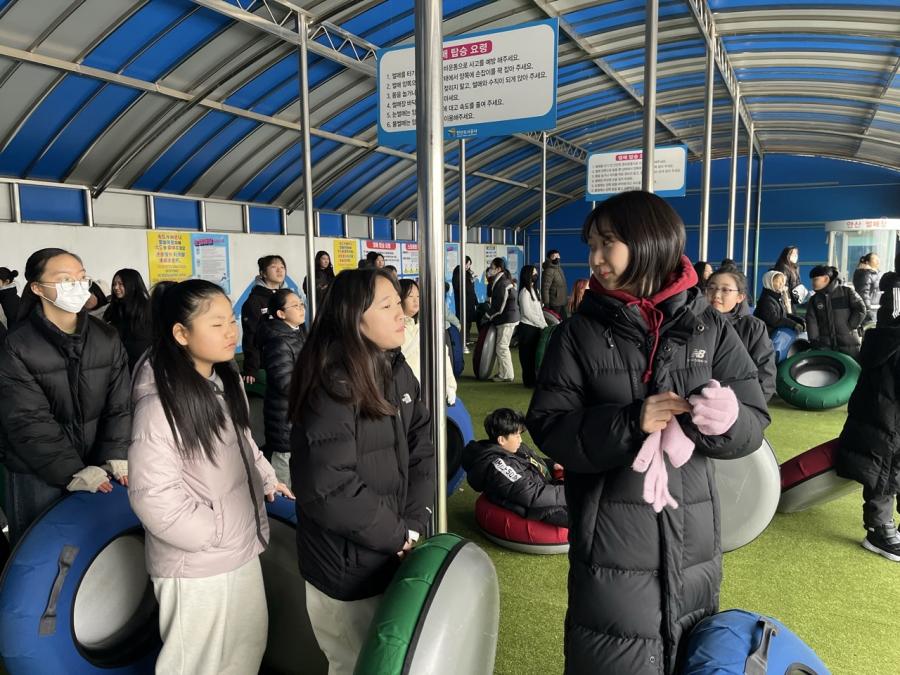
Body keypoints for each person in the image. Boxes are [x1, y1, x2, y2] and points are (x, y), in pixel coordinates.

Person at [526, 191, 769, 675]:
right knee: (612, 650)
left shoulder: (709, 328)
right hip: (610, 537)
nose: (595, 258)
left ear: (649, 243)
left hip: (693, 532)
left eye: (607, 244)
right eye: (592, 245)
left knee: (686, 648)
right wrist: (629, 422)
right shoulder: (578, 333)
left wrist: (728, 420)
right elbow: (550, 427)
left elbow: (753, 423)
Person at [128, 279, 292, 675]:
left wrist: (267, 478)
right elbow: (153, 495)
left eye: (231, 320)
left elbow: (243, 442)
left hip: (239, 546)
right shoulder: (160, 403)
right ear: (181, 334)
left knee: (244, 653)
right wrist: (211, 533)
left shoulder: (222, 381)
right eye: (216, 324)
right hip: (198, 562)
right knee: (198, 665)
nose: (231, 331)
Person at [289, 268, 434, 675]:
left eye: (399, 302)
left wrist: (412, 525)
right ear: (354, 318)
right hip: (346, 567)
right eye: (387, 306)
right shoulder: (332, 383)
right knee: (354, 664)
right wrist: (397, 535)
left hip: (391, 550)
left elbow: (422, 448)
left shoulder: (397, 368)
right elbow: (329, 487)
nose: (401, 313)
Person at [0, 248, 131, 544]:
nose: (77, 285)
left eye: (81, 278)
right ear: (37, 288)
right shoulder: (16, 346)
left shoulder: (106, 337)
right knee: (41, 548)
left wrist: (114, 455)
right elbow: (27, 421)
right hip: (37, 471)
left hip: (99, 464)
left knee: (94, 547)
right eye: (65, 279)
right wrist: (73, 472)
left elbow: (120, 404)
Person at [836, 273, 900, 561]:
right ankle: (878, 529)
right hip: (885, 416)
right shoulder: (895, 296)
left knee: (889, 467)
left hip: (886, 413)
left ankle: (882, 525)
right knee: (883, 469)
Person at [462, 408, 567, 527]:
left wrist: (552, 464)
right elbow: (531, 495)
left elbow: (533, 462)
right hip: (538, 508)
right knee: (582, 514)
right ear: (501, 440)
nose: (520, 439)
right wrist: (569, 493)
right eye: (516, 435)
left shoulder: (515, 448)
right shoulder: (498, 466)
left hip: (545, 488)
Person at [259, 289, 307, 487]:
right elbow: (285, 383)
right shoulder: (278, 341)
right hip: (284, 417)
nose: (301, 308)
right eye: (295, 306)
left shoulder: (296, 333)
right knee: (284, 467)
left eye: (301, 304)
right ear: (281, 313)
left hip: (297, 413)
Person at [706, 269, 776, 400]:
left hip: (738, 402)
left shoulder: (753, 327)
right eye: (711, 288)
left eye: (725, 290)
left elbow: (765, 371)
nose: (716, 295)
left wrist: (753, 405)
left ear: (740, 297)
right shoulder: (693, 323)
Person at [399, 279, 457, 405]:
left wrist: (450, 385)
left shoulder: (424, 327)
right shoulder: (393, 329)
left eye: (418, 296)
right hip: (404, 395)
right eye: (410, 296)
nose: (416, 301)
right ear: (399, 298)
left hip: (428, 392)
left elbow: (443, 357)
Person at [241, 255, 287, 384]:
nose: (279, 270)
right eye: (274, 267)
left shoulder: (288, 297)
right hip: (268, 363)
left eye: (282, 267)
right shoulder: (254, 301)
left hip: (290, 358)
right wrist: (251, 368)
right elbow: (251, 335)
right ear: (263, 273)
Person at [806, 265, 866, 359]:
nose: (812, 283)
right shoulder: (814, 300)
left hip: (849, 342)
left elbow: (860, 309)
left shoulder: (847, 292)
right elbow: (811, 320)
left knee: (851, 365)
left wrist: (850, 326)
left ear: (826, 279)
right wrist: (814, 340)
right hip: (825, 345)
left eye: (815, 279)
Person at [104, 268, 152, 372]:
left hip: (141, 365)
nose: (116, 287)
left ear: (132, 285)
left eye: (121, 284)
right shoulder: (112, 308)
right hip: (117, 363)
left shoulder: (146, 308)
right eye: (114, 284)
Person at [484, 258, 520, 383]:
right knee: (501, 347)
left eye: (492, 267)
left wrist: (487, 316)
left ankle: (507, 375)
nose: (490, 269)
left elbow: (499, 306)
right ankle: (503, 373)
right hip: (507, 318)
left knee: (502, 347)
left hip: (507, 319)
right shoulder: (499, 281)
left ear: (499, 269)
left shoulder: (502, 283)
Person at [517, 265, 546, 388]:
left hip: (536, 328)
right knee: (526, 356)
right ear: (527, 275)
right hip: (527, 329)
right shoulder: (524, 292)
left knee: (534, 355)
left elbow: (539, 311)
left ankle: (534, 380)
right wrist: (541, 324)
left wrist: (544, 324)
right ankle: (528, 381)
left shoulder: (535, 291)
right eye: (534, 273)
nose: (536, 275)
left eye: (536, 273)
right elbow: (527, 313)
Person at [753, 270, 805, 336]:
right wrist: (793, 325)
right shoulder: (766, 300)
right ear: (769, 283)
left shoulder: (776, 298)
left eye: (782, 281)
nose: (781, 284)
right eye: (778, 281)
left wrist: (799, 320)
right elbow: (774, 320)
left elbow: (783, 315)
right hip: (765, 337)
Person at [452, 255, 477, 344]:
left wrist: (476, 301)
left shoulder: (468, 273)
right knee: (463, 319)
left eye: (469, 265)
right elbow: (457, 286)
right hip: (462, 301)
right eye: (467, 264)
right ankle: (462, 339)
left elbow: (472, 288)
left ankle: (467, 338)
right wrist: (469, 282)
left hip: (470, 301)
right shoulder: (458, 270)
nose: (468, 266)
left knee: (468, 320)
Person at [853, 252, 881, 327]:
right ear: (867, 262)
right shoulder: (865, 273)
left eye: (878, 259)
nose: (878, 261)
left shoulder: (873, 273)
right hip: (869, 311)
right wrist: (868, 311)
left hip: (874, 309)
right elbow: (863, 293)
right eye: (875, 259)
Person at [541, 249, 567, 317]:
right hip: (554, 303)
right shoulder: (549, 271)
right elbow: (545, 288)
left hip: (562, 302)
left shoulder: (559, 269)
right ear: (549, 259)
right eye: (554, 256)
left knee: (564, 320)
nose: (557, 258)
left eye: (558, 256)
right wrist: (546, 303)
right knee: (556, 321)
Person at [0, 267, 21, 340]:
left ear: (6, 282)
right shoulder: (11, 289)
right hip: (17, 316)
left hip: (15, 319)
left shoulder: (4, 292)